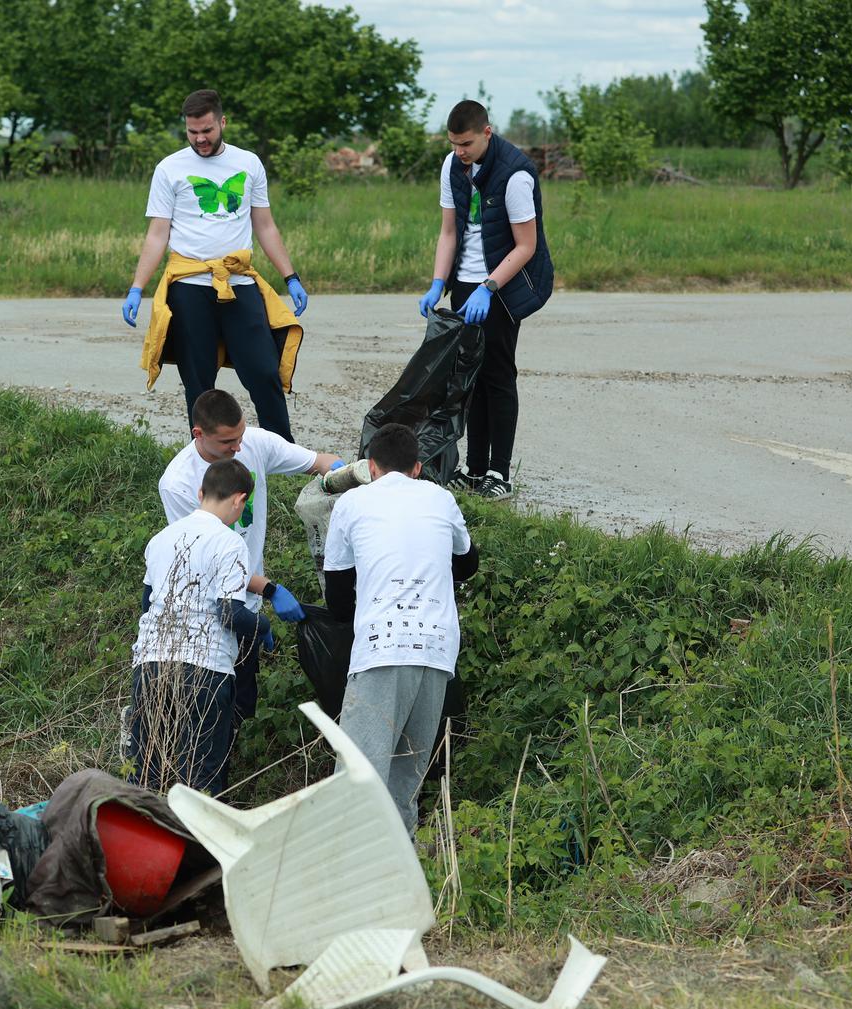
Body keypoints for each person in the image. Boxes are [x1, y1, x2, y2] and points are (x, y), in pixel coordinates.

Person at [123, 88, 308, 441]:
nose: (200, 139)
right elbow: (156, 235)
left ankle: (284, 455)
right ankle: (205, 457)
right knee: (198, 381)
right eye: (192, 132)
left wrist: (291, 276)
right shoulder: (169, 169)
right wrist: (137, 288)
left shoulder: (248, 163)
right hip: (189, 286)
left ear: (222, 122)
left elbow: (265, 225)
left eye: (207, 130)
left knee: (264, 371)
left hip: (238, 282)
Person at [322, 423, 478, 835]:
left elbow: (337, 597)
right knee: (405, 780)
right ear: (418, 468)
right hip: (437, 651)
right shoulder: (440, 498)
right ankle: (397, 873)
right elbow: (468, 564)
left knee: (356, 777)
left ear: (370, 467)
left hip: (381, 648)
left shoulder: (352, 504)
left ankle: (347, 873)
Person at [159, 388, 340, 722]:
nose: (238, 448)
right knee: (205, 717)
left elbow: (318, 462)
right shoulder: (179, 483)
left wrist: (344, 474)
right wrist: (269, 589)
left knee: (241, 710)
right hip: (207, 621)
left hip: (245, 608)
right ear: (198, 434)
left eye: (240, 436)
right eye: (228, 442)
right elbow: (209, 564)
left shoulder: (254, 442)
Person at [416, 99, 555, 501]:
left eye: (467, 144)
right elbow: (449, 232)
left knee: (497, 376)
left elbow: (527, 246)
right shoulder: (451, 166)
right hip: (465, 282)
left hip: (502, 286)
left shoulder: (515, 175)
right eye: (454, 144)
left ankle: (500, 472)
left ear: (487, 133)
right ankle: (475, 471)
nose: (460, 152)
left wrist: (489, 287)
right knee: (468, 378)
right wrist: (438, 282)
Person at [128, 458, 267, 793]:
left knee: (145, 770)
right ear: (239, 500)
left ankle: (141, 838)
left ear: (201, 492)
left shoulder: (161, 539)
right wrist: (262, 628)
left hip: (151, 665)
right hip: (205, 669)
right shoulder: (231, 542)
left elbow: (148, 603)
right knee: (201, 777)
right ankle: (197, 844)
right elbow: (230, 613)